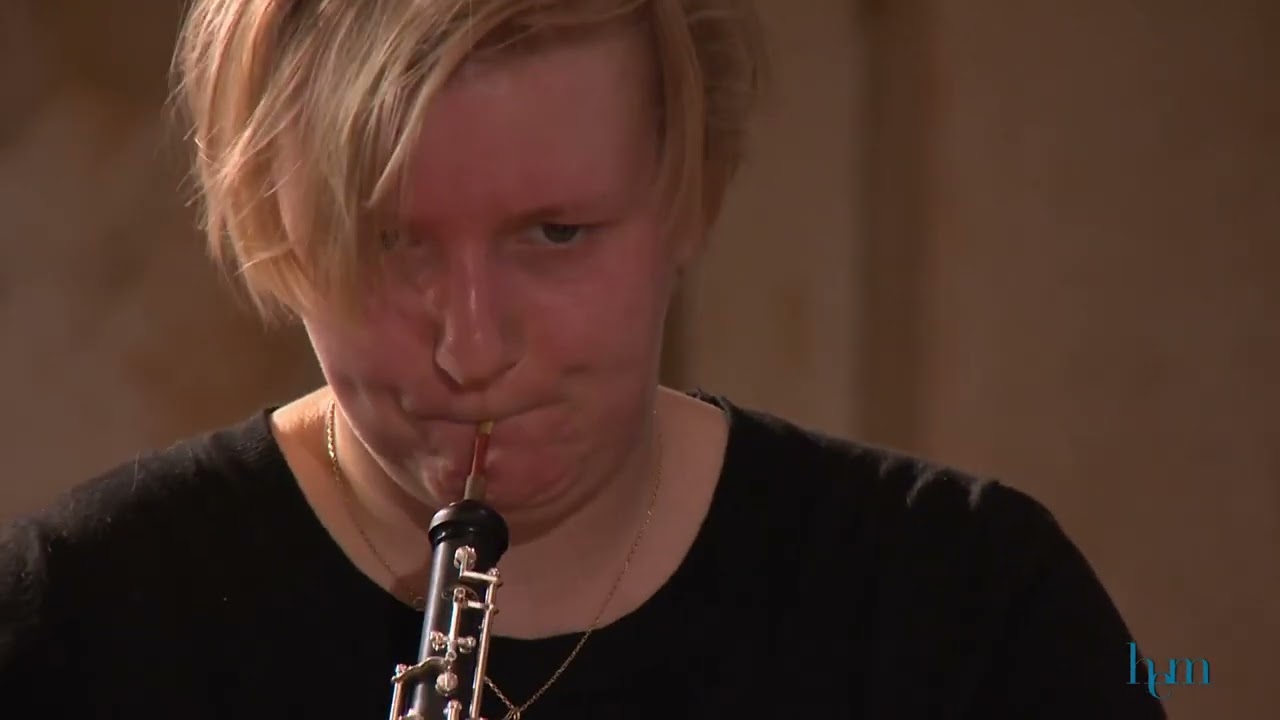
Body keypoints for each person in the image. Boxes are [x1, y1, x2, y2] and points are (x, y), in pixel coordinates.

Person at [0, 1, 1167, 718]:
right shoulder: (77, 626)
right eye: (385, 241)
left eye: (555, 235)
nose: (469, 349)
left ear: (687, 197)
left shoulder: (968, 609)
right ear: (273, 224)